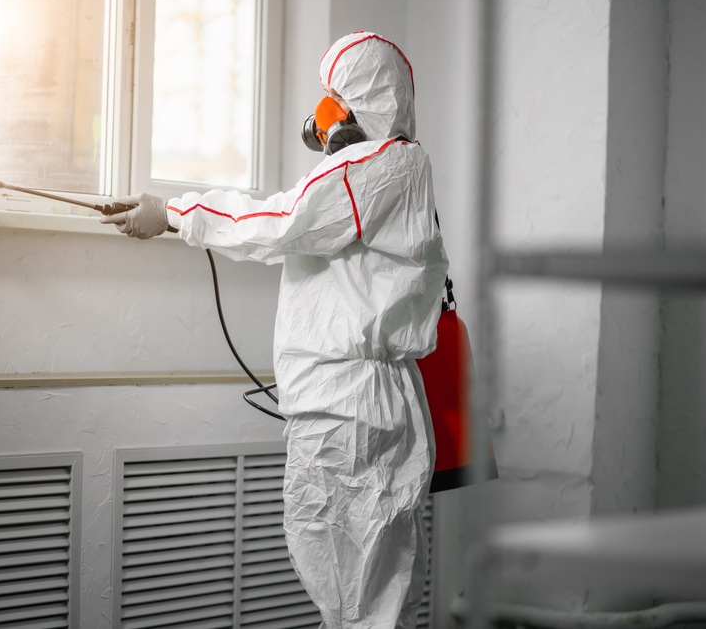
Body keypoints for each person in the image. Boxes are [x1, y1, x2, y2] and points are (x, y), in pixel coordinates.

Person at [103, 31, 448, 628]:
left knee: (356, 589)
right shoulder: (395, 167)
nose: (324, 111)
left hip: (349, 407)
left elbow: (282, 221)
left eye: (334, 94)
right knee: (366, 590)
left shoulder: (370, 166)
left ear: (359, 96)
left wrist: (176, 213)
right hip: (366, 400)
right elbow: (299, 215)